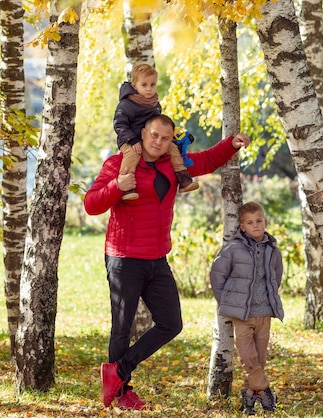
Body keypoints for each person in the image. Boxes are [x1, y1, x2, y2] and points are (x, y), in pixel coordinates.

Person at [84, 114, 250, 410]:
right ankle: (122, 394)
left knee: (171, 323)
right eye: (153, 135)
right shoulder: (118, 163)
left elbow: (208, 160)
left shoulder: (174, 164)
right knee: (121, 327)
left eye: (165, 138)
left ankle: (118, 371)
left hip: (157, 258)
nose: (158, 142)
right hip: (124, 257)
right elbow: (92, 204)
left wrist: (231, 145)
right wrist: (118, 186)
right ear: (143, 134)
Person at [210, 202, 284, 414]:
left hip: (265, 313)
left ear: (265, 222)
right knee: (248, 358)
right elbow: (217, 276)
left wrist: (269, 297)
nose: (256, 225)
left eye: (259, 221)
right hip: (242, 315)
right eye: (250, 222)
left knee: (259, 359)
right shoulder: (233, 249)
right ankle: (265, 390)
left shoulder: (272, 249)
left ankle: (249, 396)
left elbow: (276, 276)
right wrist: (228, 301)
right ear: (242, 227)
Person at [113, 63, 198, 200]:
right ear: (134, 85)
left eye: (152, 85)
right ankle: (127, 186)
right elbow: (119, 124)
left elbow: (159, 123)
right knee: (133, 154)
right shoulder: (127, 104)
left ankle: (183, 178)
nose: (149, 89)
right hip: (129, 139)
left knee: (172, 148)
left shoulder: (154, 104)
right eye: (144, 85)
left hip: (149, 138)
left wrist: (174, 135)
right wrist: (132, 140)